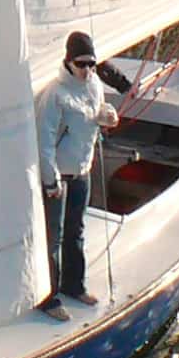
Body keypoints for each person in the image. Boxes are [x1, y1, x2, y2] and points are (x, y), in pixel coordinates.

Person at [37, 32, 133, 313]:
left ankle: (74, 285)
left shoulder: (93, 84)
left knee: (76, 230)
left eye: (92, 64)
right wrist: (50, 180)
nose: (88, 70)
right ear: (68, 61)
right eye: (81, 64)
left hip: (82, 169)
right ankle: (48, 297)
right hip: (59, 176)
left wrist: (106, 116)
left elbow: (95, 111)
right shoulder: (55, 94)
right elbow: (45, 141)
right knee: (53, 236)